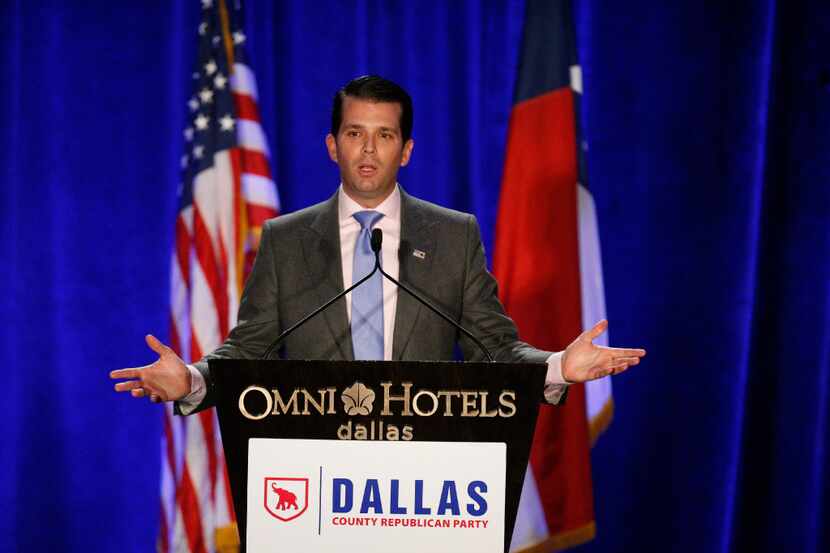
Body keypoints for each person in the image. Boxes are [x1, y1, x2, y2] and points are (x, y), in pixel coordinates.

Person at [110, 76, 645, 412]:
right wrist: (194, 380)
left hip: (423, 487)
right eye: (354, 133)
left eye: (384, 135)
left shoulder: (454, 236)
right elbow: (249, 352)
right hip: (311, 478)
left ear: (406, 150)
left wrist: (556, 367)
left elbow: (495, 349)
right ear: (332, 145)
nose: (368, 149)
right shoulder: (286, 240)